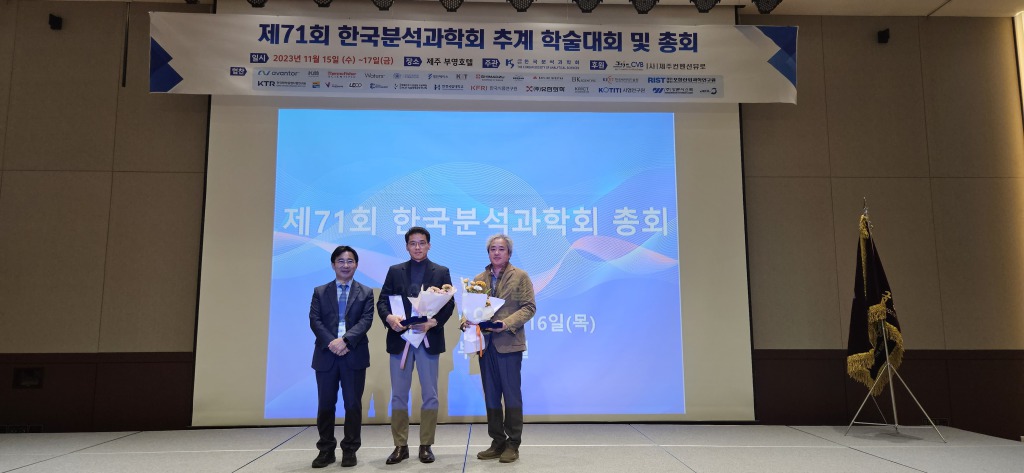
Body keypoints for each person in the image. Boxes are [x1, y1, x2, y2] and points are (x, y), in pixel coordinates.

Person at [377, 227, 455, 464]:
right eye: (413, 243)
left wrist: (433, 322)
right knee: (399, 395)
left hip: (427, 340)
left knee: (430, 394)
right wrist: (389, 318)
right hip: (400, 340)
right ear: (407, 246)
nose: (418, 247)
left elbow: (449, 305)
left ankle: (426, 445)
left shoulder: (441, 271)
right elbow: (382, 302)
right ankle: (400, 445)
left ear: (429, 245)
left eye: (422, 243)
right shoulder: (395, 271)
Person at [469, 234, 536, 463]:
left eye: (501, 249)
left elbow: (529, 307)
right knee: (491, 395)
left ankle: (513, 444)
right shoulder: (479, 279)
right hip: (485, 345)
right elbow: (472, 310)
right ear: (488, 252)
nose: (496, 253)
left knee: (511, 395)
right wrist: (466, 321)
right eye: (493, 249)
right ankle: (497, 441)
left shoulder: (520, 276)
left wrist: (505, 324)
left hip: (509, 343)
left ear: (509, 253)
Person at [309, 245, 375, 468]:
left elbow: (366, 321)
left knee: (353, 405)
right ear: (333, 264)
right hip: (326, 355)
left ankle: (350, 450)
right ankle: (326, 450)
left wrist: (345, 341)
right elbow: (315, 321)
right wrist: (332, 342)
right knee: (325, 405)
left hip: (353, 354)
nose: (345, 265)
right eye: (341, 261)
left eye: (350, 261)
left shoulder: (366, 292)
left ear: (356, 265)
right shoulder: (320, 291)